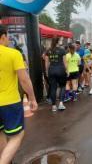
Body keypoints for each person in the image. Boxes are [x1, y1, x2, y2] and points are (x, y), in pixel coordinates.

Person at [0, 25, 38, 164]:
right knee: (17, 135)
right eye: (7, 37)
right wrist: (32, 98)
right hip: (9, 102)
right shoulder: (13, 53)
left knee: (2, 133)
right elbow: (24, 79)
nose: (9, 39)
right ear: (3, 36)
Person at [45, 38, 67, 112]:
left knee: (53, 88)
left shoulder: (48, 51)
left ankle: (53, 106)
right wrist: (67, 70)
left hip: (51, 70)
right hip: (60, 70)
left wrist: (47, 72)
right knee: (62, 86)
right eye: (60, 40)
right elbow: (65, 62)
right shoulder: (62, 50)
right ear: (58, 42)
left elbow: (46, 63)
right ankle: (61, 103)